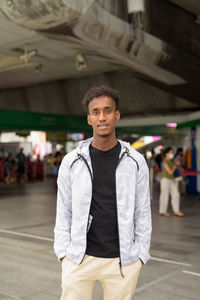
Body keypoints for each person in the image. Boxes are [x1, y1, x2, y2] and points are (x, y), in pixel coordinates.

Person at [54, 85, 152, 300]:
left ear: (116, 115)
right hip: (79, 259)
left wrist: (140, 255)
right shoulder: (72, 162)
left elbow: (142, 211)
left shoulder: (135, 161)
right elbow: (64, 210)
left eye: (107, 111)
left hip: (122, 262)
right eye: (96, 112)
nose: (102, 117)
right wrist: (63, 253)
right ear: (89, 119)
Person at [159, 147, 184, 217]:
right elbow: (170, 172)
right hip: (165, 180)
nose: (172, 154)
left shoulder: (171, 161)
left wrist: (176, 165)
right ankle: (163, 211)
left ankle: (176, 210)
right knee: (164, 196)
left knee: (176, 194)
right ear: (166, 154)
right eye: (171, 153)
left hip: (172, 180)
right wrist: (174, 166)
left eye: (172, 153)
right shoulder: (165, 161)